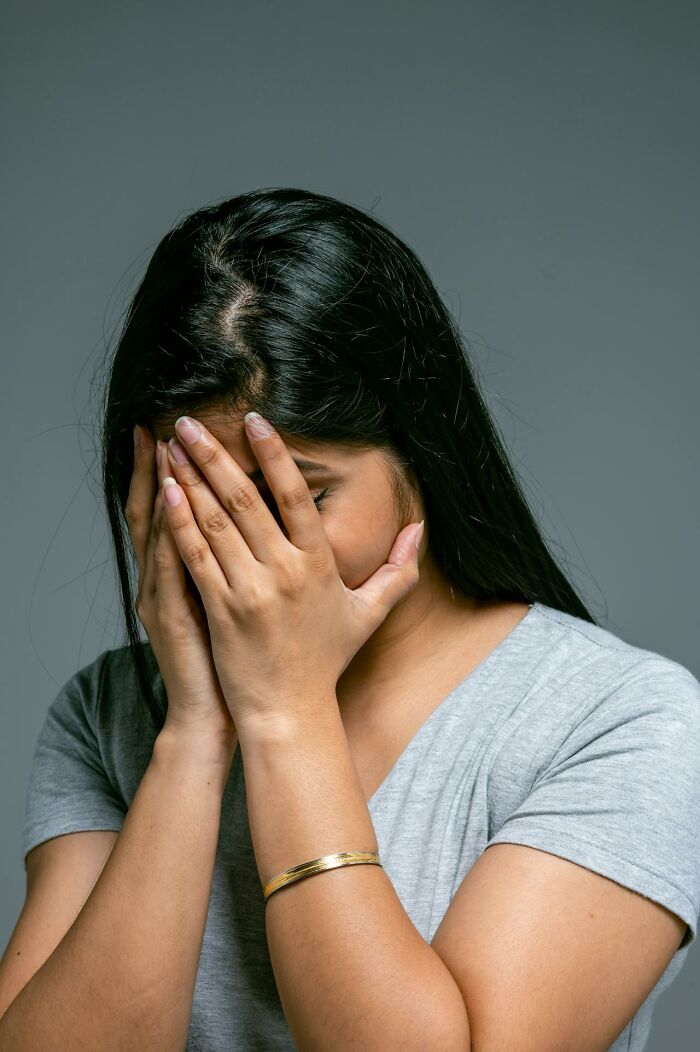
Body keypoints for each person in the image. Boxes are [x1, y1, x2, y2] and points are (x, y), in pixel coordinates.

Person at [1, 186, 698, 1051]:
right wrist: (193, 734)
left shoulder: (618, 721)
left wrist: (286, 713)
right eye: (199, 503)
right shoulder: (108, 714)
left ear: (422, 452)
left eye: (301, 495)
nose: (242, 555)